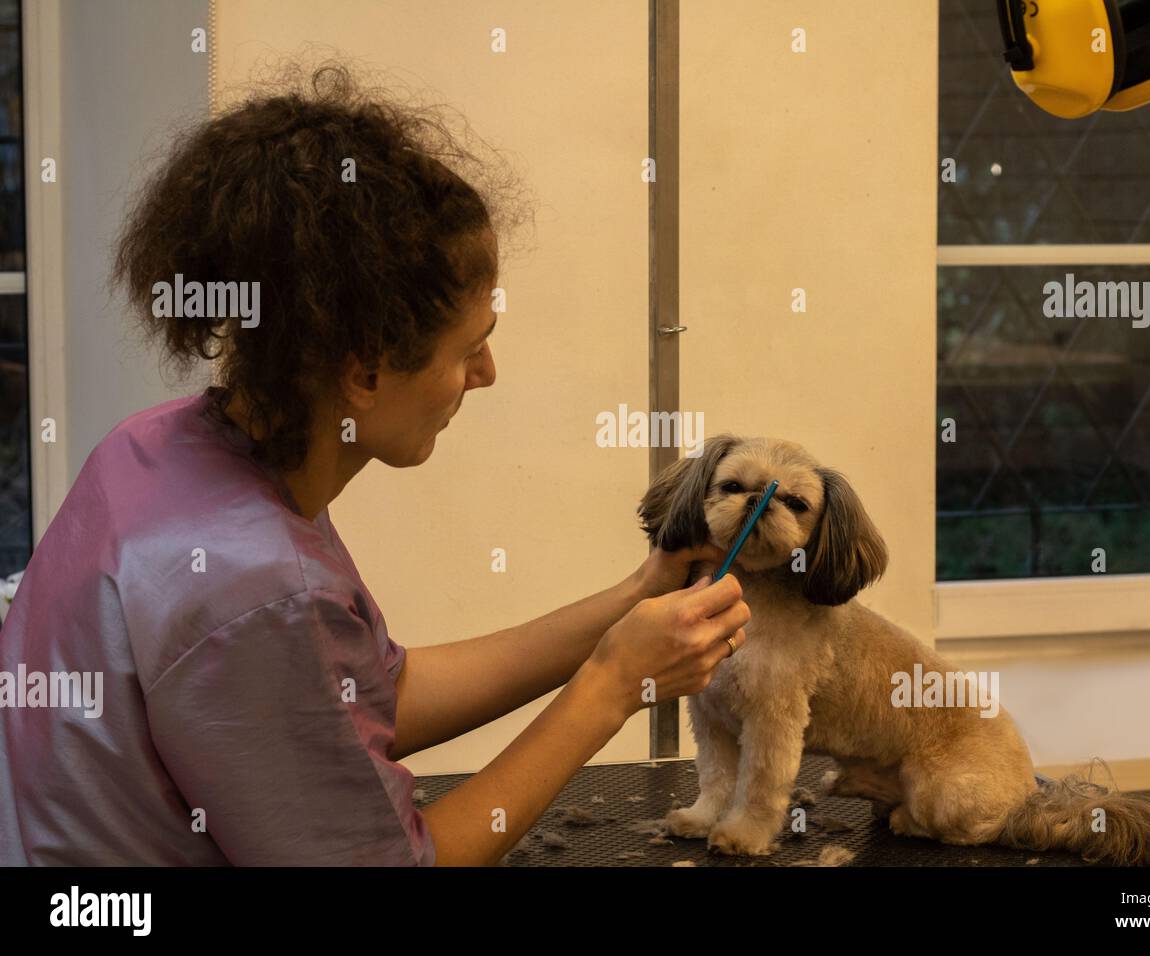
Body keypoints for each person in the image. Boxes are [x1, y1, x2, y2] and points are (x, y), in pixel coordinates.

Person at [0, 64, 749, 866]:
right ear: (365, 369)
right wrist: (610, 689)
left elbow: (363, 693)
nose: (486, 374)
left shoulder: (156, 451)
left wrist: (634, 598)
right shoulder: (256, 584)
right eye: (468, 349)